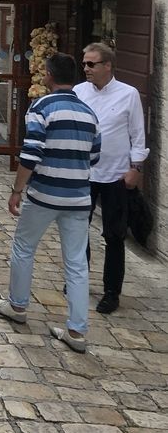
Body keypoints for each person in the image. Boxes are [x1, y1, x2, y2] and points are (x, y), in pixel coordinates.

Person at [0, 53, 101, 353]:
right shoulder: (89, 114)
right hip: (78, 197)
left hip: (45, 194)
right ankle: (76, 331)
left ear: (49, 75)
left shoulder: (41, 107)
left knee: (24, 247)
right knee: (77, 262)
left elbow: (31, 154)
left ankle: (17, 305)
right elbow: (94, 156)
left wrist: (17, 190)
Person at [74, 42, 149, 315]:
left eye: (91, 64)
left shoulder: (128, 94)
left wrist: (135, 168)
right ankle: (78, 281)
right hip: (84, 172)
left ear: (107, 65)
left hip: (116, 175)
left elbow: (137, 134)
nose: (86, 68)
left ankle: (111, 292)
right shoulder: (78, 92)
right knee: (77, 231)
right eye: (84, 63)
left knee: (114, 235)